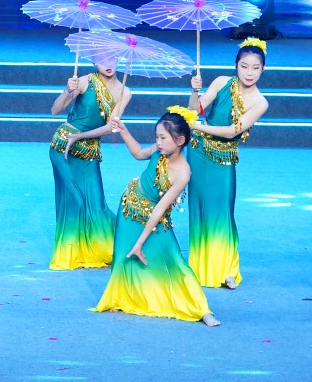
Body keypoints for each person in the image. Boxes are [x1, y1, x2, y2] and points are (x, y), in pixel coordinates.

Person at [91, 107, 218, 326]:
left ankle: (201, 310)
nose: (158, 142)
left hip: (155, 218)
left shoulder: (183, 173)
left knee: (174, 259)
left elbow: (159, 209)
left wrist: (140, 242)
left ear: (180, 140)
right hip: (130, 208)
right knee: (123, 258)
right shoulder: (159, 151)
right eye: (157, 137)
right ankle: (122, 297)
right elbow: (139, 154)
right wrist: (123, 130)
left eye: (163, 138)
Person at [185, 37, 270, 289]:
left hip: (223, 159)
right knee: (199, 207)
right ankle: (199, 266)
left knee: (222, 211)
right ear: (236, 65)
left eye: (255, 68)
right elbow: (194, 110)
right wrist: (195, 91)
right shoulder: (222, 82)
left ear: (263, 69)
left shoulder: (260, 102)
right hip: (198, 152)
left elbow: (233, 130)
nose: (249, 73)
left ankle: (227, 269)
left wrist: (197, 127)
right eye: (244, 66)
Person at [47, 55, 130, 269]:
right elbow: (55, 110)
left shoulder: (125, 92)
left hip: (89, 150)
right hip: (63, 148)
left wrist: (79, 137)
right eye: (102, 60)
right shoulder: (83, 82)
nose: (108, 65)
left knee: (96, 205)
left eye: (112, 59)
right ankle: (71, 252)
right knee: (74, 201)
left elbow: (111, 127)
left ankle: (105, 247)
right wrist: (67, 90)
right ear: (94, 62)